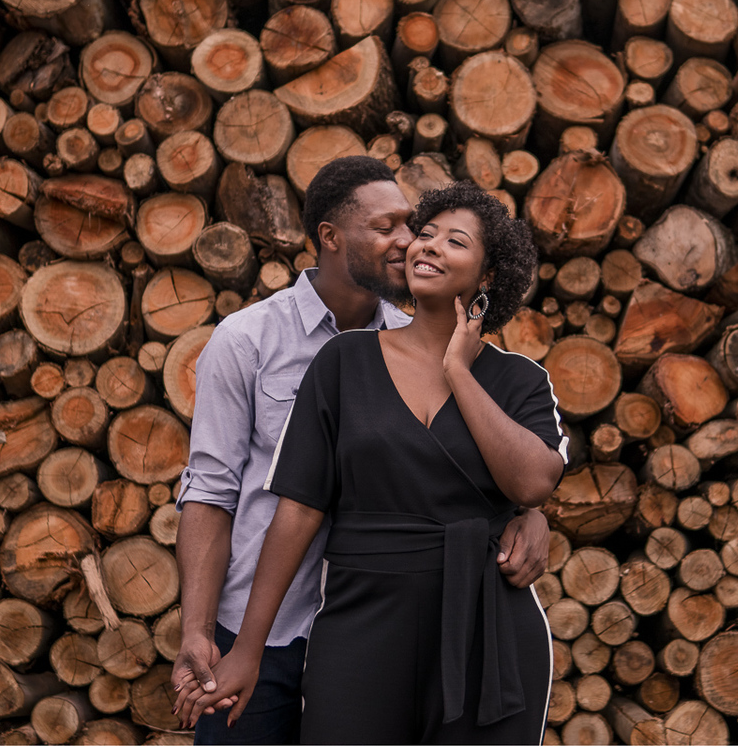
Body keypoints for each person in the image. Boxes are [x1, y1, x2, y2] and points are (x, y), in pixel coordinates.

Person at [172, 159, 552, 745]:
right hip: (279, 622)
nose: (410, 242)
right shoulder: (257, 341)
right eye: (394, 228)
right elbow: (216, 492)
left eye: (419, 228)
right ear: (330, 237)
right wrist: (209, 633)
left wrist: (529, 513)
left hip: (413, 621)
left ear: (486, 274)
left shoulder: (463, 355)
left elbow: (499, 471)